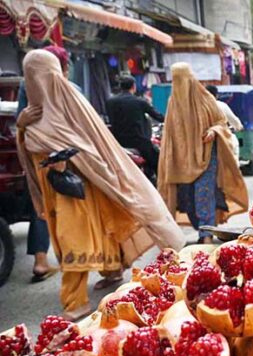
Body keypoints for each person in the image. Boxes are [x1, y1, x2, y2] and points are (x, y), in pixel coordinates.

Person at [16, 50, 185, 320]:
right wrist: (23, 127)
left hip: (84, 185)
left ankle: (75, 303)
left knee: (75, 242)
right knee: (100, 228)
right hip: (59, 189)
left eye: (38, 75)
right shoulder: (30, 113)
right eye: (30, 76)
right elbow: (30, 151)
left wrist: (69, 158)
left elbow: (89, 143)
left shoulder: (71, 101)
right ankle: (112, 271)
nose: (36, 82)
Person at [158, 63, 249, 244]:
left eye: (182, 79)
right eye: (176, 80)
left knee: (204, 194)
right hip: (181, 160)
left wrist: (214, 131)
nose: (180, 84)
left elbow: (221, 122)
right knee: (186, 197)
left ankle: (205, 234)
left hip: (206, 155)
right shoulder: (173, 102)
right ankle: (201, 228)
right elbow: (169, 132)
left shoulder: (206, 98)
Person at [16, 45, 78, 283]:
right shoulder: (70, 88)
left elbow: (22, 122)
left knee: (43, 209)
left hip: (40, 158)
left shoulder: (27, 86)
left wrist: (23, 124)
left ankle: (42, 260)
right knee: (69, 213)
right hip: (64, 160)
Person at [106, 76, 164, 182]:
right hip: (139, 142)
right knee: (159, 162)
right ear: (134, 86)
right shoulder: (140, 102)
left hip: (117, 143)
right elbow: (159, 117)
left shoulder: (110, 102)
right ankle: (161, 186)